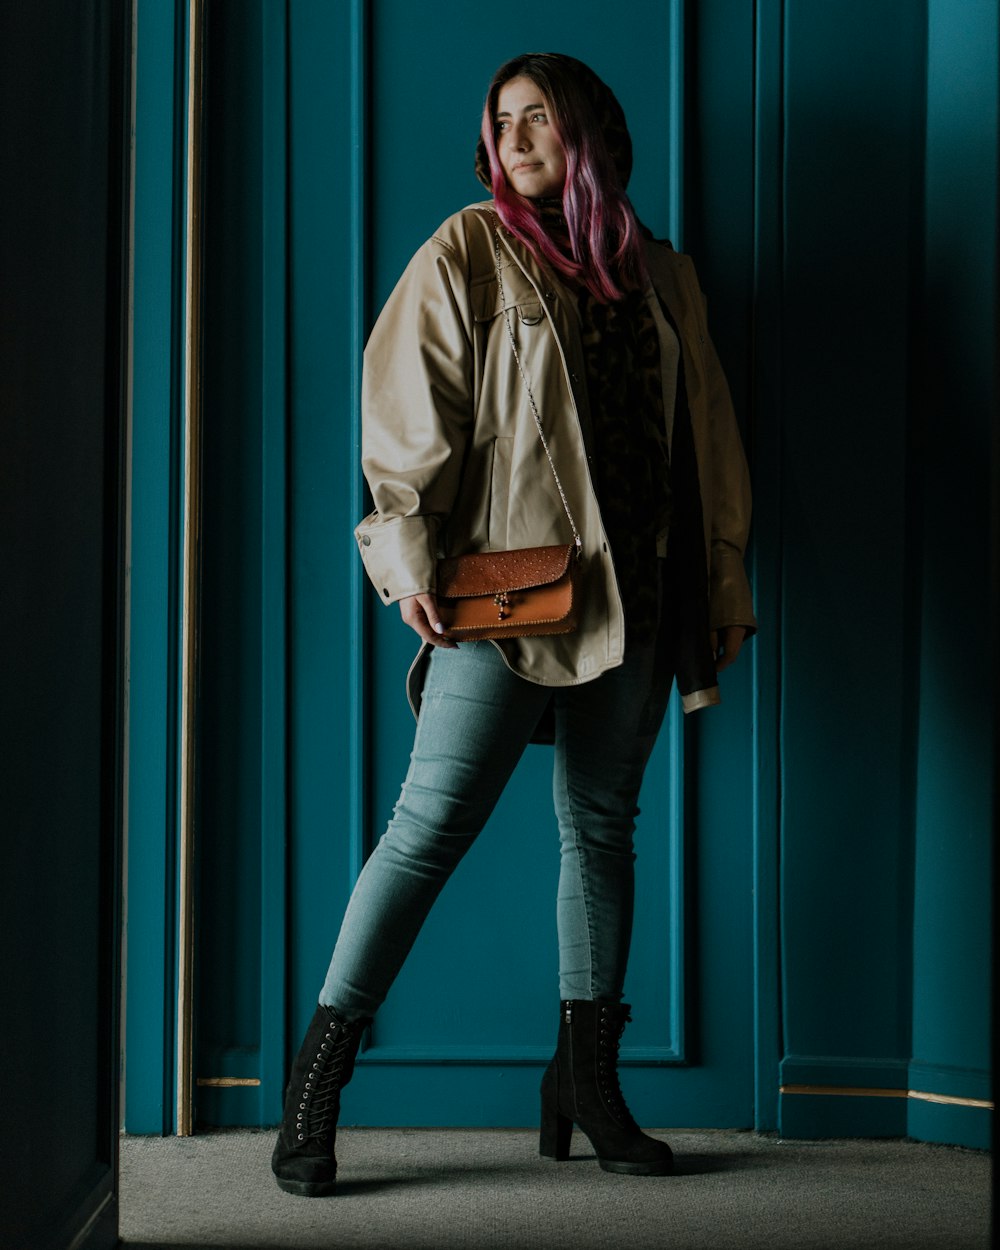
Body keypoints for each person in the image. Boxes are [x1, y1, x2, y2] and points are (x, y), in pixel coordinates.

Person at [272, 52, 756, 1197]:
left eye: (540, 116)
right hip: (507, 601)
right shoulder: (469, 249)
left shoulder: (662, 275)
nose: (519, 135)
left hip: (640, 597)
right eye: (502, 120)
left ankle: (587, 1083)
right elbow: (403, 413)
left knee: (602, 827)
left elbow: (710, 447)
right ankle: (313, 1088)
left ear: (589, 126)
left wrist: (721, 588)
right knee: (426, 828)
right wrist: (405, 559)